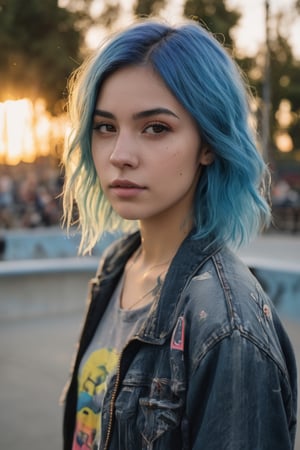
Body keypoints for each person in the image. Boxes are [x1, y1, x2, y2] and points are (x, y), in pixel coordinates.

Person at [61, 19, 297, 450]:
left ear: (208, 143)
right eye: (105, 127)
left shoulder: (229, 327)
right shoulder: (119, 264)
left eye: (155, 128)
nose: (120, 155)